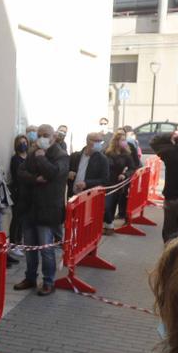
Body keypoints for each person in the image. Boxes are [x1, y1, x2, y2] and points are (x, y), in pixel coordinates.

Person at [14, 124, 68, 297]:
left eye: (46, 135)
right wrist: (35, 179)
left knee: (46, 249)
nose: (42, 138)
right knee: (30, 247)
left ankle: (48, 281)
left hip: (48, 209)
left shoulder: (61, 156)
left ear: (54, 137)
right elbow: (20, 172)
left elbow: (52, 174)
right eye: (40, 135)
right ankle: (30, 277)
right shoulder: (32, 153)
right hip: (30, 208)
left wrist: (41, 159)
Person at [103, 128, 141, 229]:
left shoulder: (126, 155)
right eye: (122, 140)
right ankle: (107, 224)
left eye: (125, 139)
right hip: (106, 182)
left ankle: (109, 224)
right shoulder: (107, 152)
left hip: (118, 183)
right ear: (116, 141)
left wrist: (125, 174)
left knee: (111, 204)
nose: (125, 142)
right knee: (106, 205)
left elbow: (133, 167)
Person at [7, 134, 33, 261]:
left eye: (25, 142)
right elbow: (19, 176)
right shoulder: (15, 159)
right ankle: (13, 244)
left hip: (28, 193)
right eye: (20, 142)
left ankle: (20, 240)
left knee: (23, 220)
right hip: (18, 192)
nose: (23, 144)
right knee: (16, 218)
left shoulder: (29, 157)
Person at [66, 131, 109, 199]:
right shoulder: (75, 156)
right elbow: (65, 171)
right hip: (73, 195)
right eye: (96, 141)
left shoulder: (103, 159)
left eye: (100, 141)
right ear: (88, 141)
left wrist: (87, 183)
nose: (98, 144)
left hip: (89, 196)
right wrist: (68, 173)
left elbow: (104, 180)